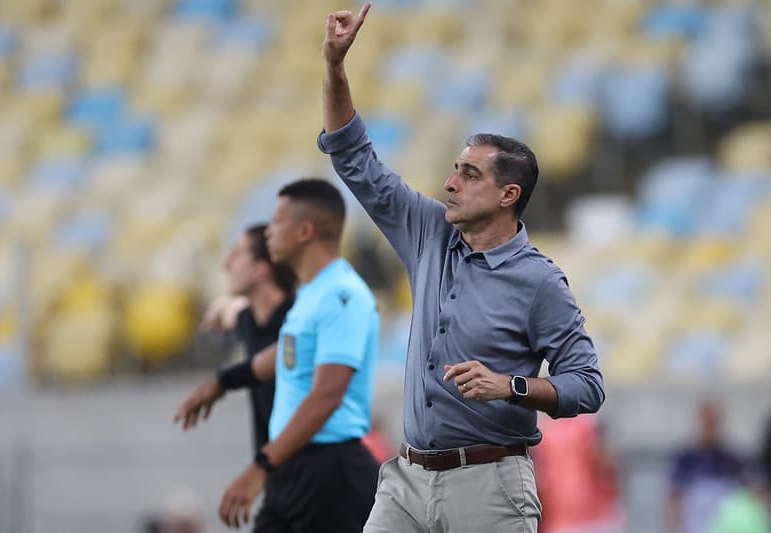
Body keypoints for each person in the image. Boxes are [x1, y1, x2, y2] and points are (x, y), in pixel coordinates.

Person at [318, 4, 605, 531]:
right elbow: (353, 158)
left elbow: (586, 384)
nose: (451, 183)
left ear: (507, 195)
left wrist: (512, 386)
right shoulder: (428, 230)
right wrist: (335, 67)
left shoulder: (539, 280)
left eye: (469, 174)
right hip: (406, 479)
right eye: (454, 170)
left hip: (490, 484)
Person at [218, 178, 381, 531]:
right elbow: (281, 355)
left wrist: (260, 465)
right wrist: (221, 382)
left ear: (304, 231)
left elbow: (327, 394)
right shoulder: (310, 296)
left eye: (277, 222)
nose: (269, 232)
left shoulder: (342, 294)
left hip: (330, 473)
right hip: (292, 470)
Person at [173, 224, 297, 457]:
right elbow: (234, 313)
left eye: (237, 254)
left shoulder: (298, 325)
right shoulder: (249, 319)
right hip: (276, 477)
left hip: (311, 475)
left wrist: (222, 382)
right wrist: (221, 307)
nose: (226, 265)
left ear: (261, 270)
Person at [666, 402, 745, 533]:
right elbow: (672, 498)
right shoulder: (685, 458)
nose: (709, 430)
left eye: (713, 424)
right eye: (706, 424)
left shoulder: (731, 459)